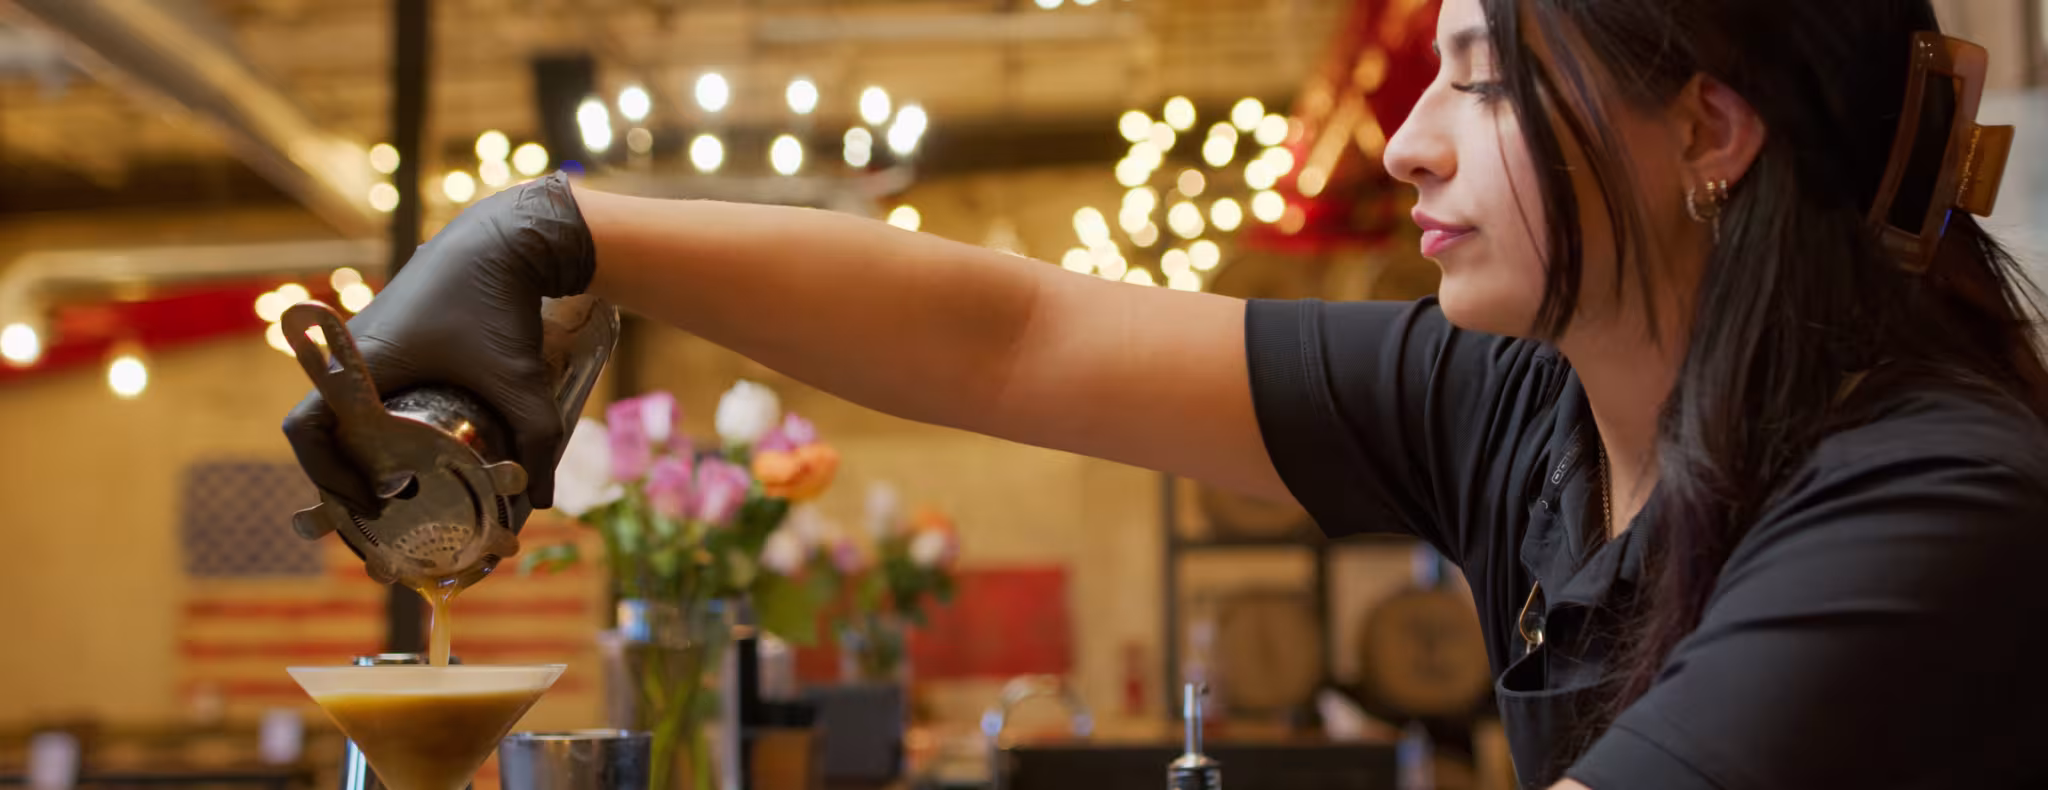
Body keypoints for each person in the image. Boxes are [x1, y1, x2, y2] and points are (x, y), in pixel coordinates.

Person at [285, 0, 2048, 786]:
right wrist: (564, 232)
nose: (1415, 145)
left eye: (1485, 80)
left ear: (1709, 131)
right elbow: (1019, 338)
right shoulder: (1535, 409)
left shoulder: (1932, 502)